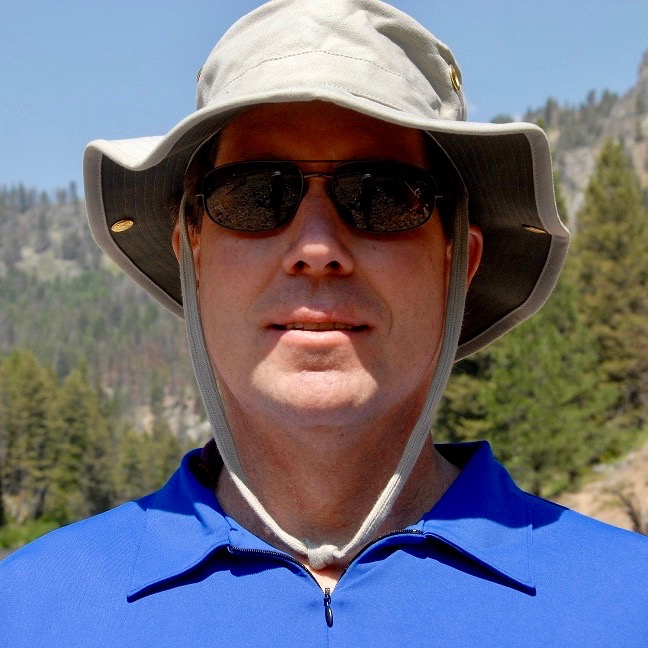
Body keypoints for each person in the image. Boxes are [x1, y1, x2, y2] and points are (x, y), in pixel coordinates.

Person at [2, 1, 647, 645]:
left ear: (460, 262)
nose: (317, 246)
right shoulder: (29, 612)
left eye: (384, 195)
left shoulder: (627, 605)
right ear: (188, 251)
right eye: (256, 193)